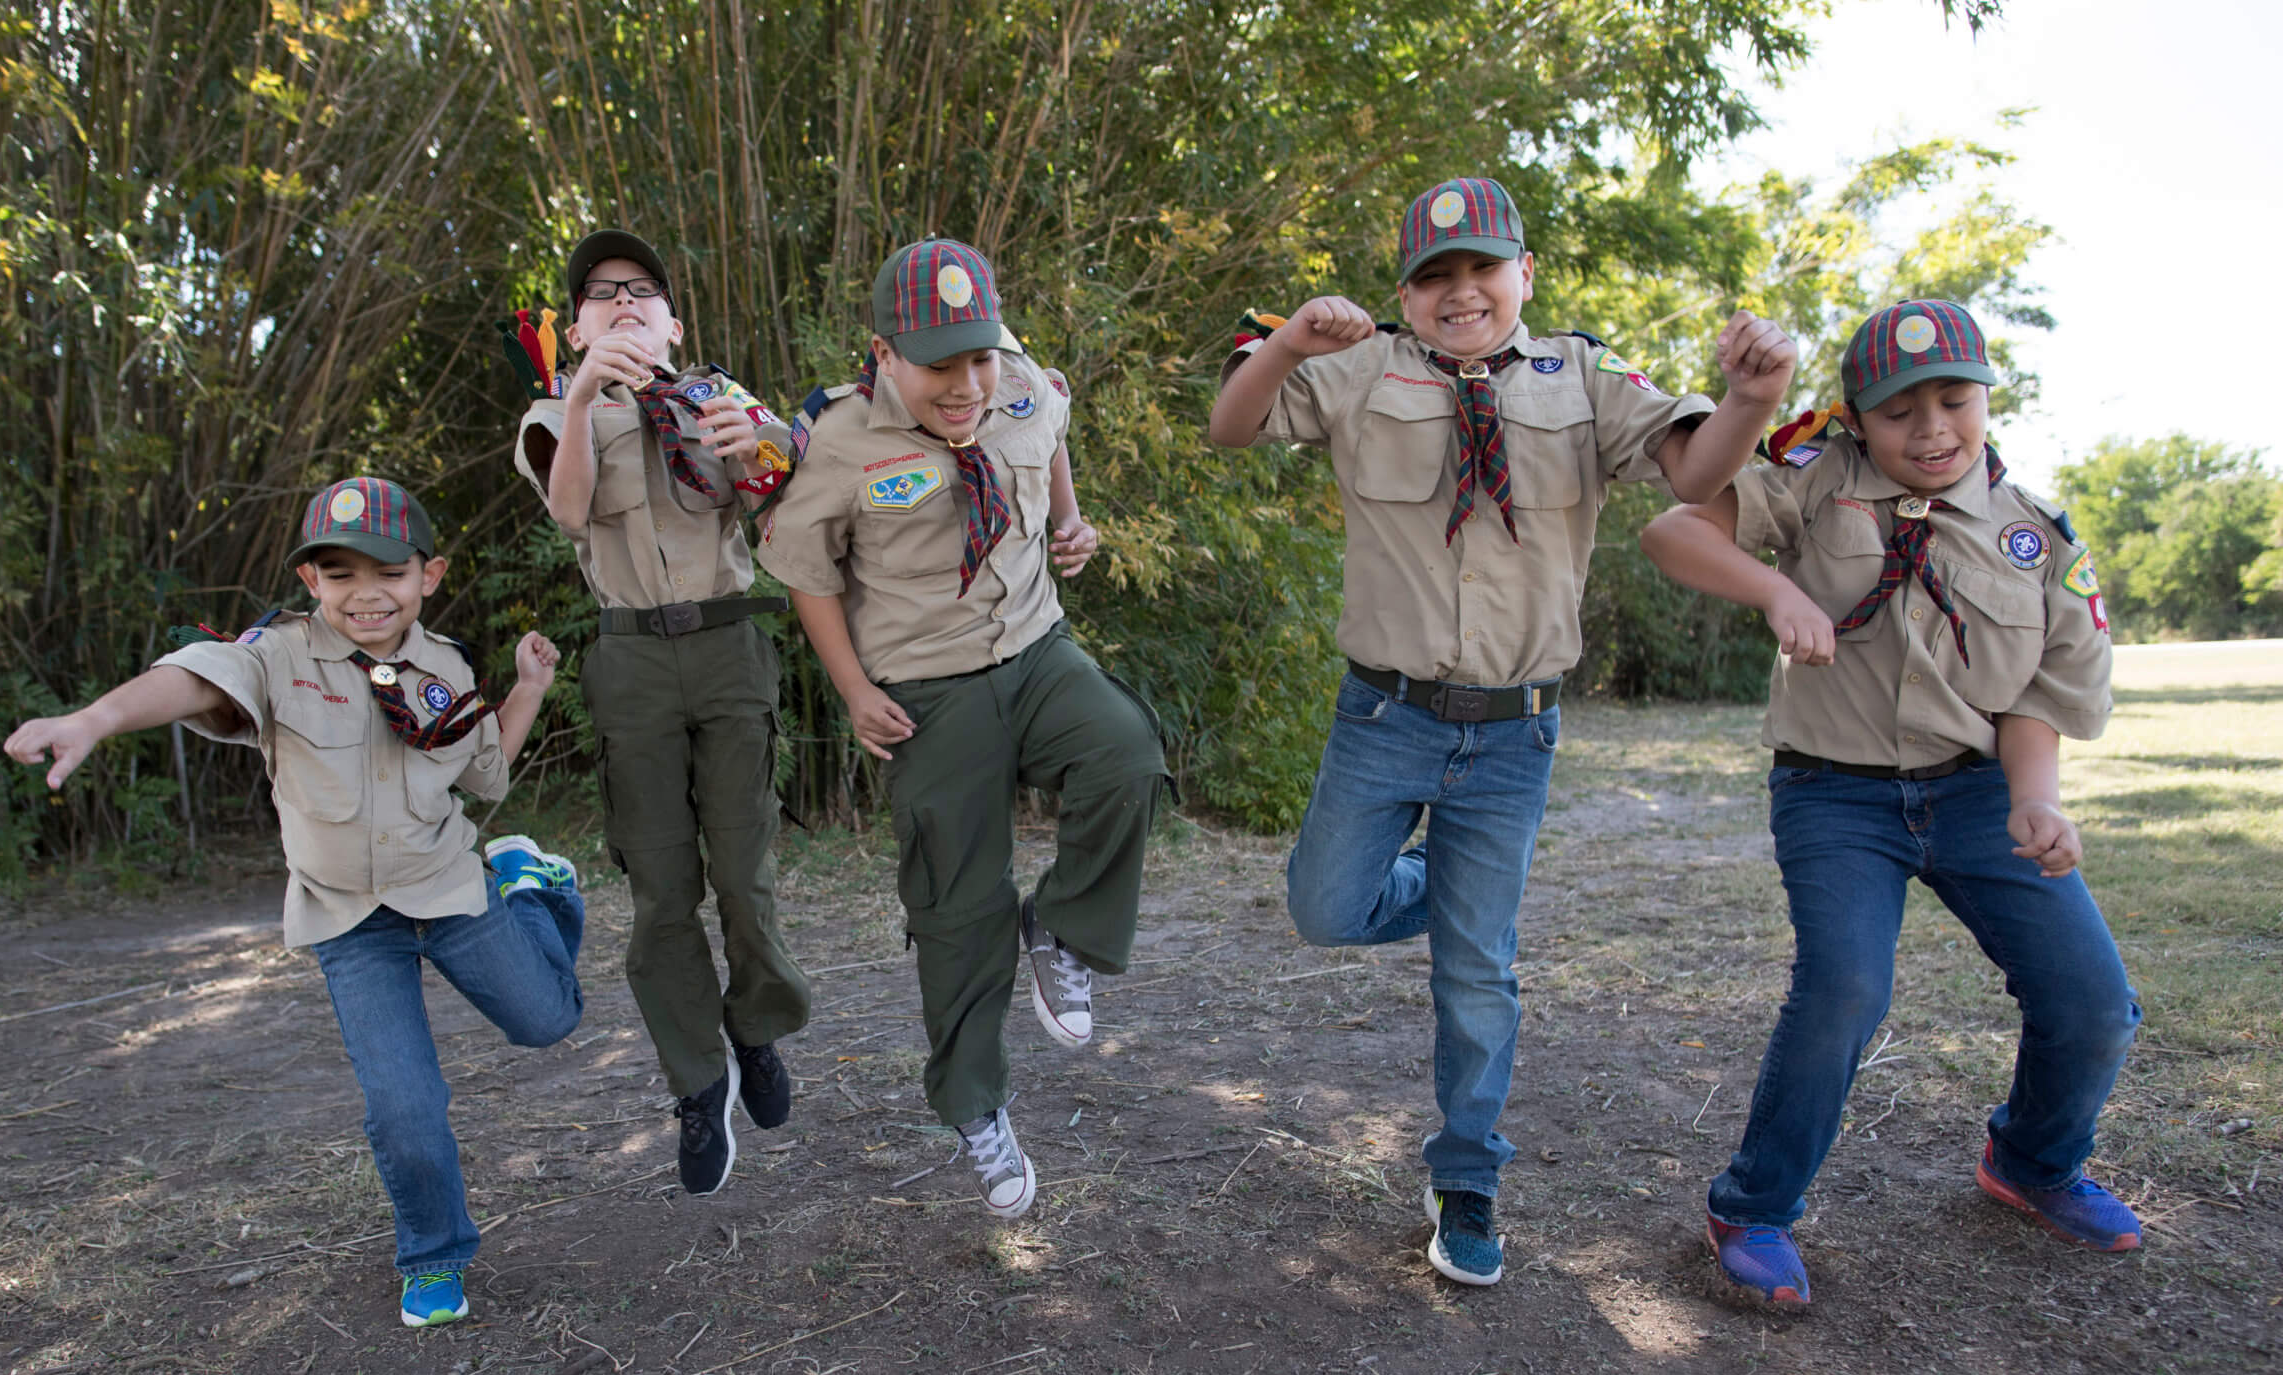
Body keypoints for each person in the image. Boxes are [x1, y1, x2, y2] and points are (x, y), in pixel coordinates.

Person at [1206, 176, 1796, 1287]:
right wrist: (1284, 344)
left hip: (1515, 730)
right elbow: (1230, 425)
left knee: (1479, 975)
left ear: (1524, 274)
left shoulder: (1580, 376)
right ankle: (1456, 889)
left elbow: (1693, 468)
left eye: (1483, 269)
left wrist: (1751, 400)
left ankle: (1466, 1175)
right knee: (1325, 910)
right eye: (1434, 276)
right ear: (1404, 293)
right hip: (1383, 714)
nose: (1460, 292)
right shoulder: (1358, 365)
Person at [1636, 298, 2142, 1306]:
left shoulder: (2035, 541)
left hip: (1976, 793)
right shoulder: (1818, 483)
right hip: (1836, 795)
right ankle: (1752, 1207)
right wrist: (1777, 592)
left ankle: (2032, 1165)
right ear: (1856, 418)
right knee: (1843, 991)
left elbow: (2040, 693)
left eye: (1953, 403)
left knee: (2092, 1003)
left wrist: (2035, 803)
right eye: (1899, 412)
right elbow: (1671, 530)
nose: (1931, 431)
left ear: (1987, 400)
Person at [4, 477, 585, 1328]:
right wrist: (98, 716)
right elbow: (197, 679)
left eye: (388, 570)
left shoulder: (446, 666)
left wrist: (526, 689)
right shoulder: (275, 656)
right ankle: (433, 1255)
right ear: (311, 583)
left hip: (449, 884)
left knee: (548, 1020)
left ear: (430, 574)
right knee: (403, 1105)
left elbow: (485, 772)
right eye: (339, 573)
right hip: (351, 919)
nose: (366, 592)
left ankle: (529, 887)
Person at [757, 238, 1164, 1220]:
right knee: (955, 909)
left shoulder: (1020, 385)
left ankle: (1060, 925)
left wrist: (1072, 525)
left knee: (1126, 752)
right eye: (942, 363)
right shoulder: (843, 440)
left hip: (1034, 651)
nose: (967, 382)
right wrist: (853, 691)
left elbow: (1049, 435)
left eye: (979, 356)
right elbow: (807, 573)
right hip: (926, 688)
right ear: (884, 352)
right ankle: (976, 1106)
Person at [512, 229, 813, 1198]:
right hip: (632, 654)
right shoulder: (555, 411)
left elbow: (784, 500)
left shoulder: (720, 398)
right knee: (660, 892)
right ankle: (697, 1079)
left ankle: (756, 1026)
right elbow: (567, 514)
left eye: (644, 290)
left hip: (731, 646)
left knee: (744, 871)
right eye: (602, 294)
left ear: (674, 320)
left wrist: (762, 445)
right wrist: (584, 390)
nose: (626, 301)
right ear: (578, 324)